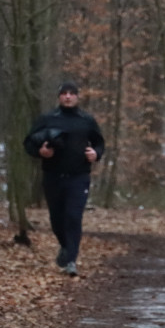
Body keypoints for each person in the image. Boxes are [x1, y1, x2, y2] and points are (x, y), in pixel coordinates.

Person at [23, 81, 104, 277]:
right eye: (64, 93)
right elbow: (28, 143)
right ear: (59, 97)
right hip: (53, 176)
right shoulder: (47, 118)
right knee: (57, 220)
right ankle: (66, 247)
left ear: (77, 97)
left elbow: (99, 142)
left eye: (72, 93)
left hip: (79, 177)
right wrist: (41, 152)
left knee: (74, 217)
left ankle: (71, 261)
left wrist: (96, 153)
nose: (68, 97)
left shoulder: (86, 120)